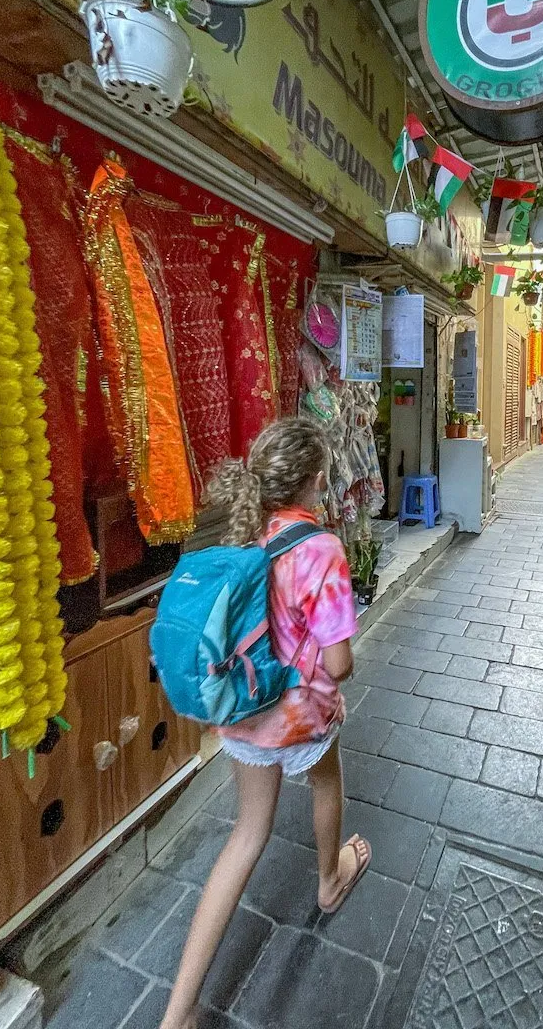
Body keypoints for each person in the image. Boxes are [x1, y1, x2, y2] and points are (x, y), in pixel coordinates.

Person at [160, 418, 369, 1029]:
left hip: (242, 713)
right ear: (315, 482)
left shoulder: (244, 533)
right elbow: (340, 663)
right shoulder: (322, 549)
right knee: (327, 781)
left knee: (246, 837)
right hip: (301, 718)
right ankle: (329, 879)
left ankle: (176, 1014)